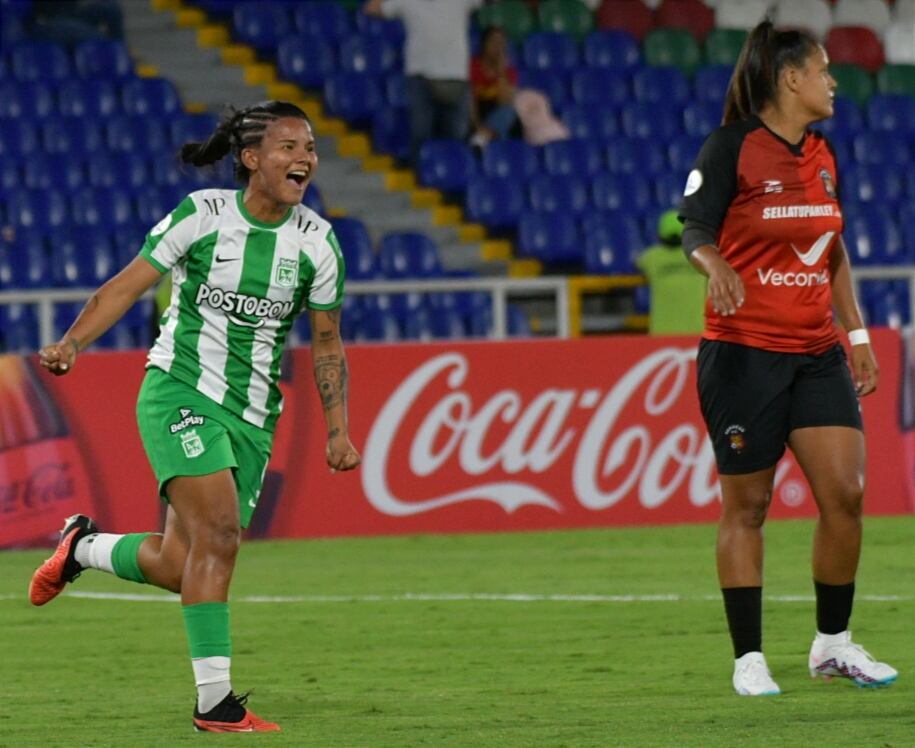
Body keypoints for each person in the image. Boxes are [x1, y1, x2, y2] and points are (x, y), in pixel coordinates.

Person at [29, 100, 361, 732]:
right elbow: (126, 285)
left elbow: (326, 342)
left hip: (253, 417)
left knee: (180, 565)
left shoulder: (317, 243)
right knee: (222, 537)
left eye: (311, 148)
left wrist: (338, 428)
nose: (305, 159)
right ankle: (215, 703)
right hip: (178, 390)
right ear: (253, 158)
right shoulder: (203, 214)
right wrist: (73, 342)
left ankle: (82, 548)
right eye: (290, 147)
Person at [679, 19, 897, 697]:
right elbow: (693, 227)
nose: (833, 81)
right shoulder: (731, 148)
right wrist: (712, 264)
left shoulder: (823, 154)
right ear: (789, 79)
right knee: (747, 506)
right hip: (743, 355)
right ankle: (747, 657)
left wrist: (854, 333)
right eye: (823, 69)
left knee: (847, 495)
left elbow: (829, 247)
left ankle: (831, 645)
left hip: (813, 353)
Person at [363, 0, 483, 163]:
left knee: (455, 139)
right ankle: (419, 181)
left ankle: (448, 181)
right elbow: (371, 8)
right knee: (421, 135)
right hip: (421, 77)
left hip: (457, 78)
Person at [635, 208, 706, 335]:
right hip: (698, 332)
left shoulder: (651, 257)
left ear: (660, 235)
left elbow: (636, 263)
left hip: (661, 333)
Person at [469, 26, 519, 148]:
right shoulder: (472, 66)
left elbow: (506, 102)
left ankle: (483, 140)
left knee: (509, 113)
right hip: (474, 114)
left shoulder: (509, 72)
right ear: (483, 44)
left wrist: (501, 73)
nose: (498, 47)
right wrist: (478, 127)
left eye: (502, 43)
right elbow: (469, 101)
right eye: (494, 42)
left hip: (495, 115)